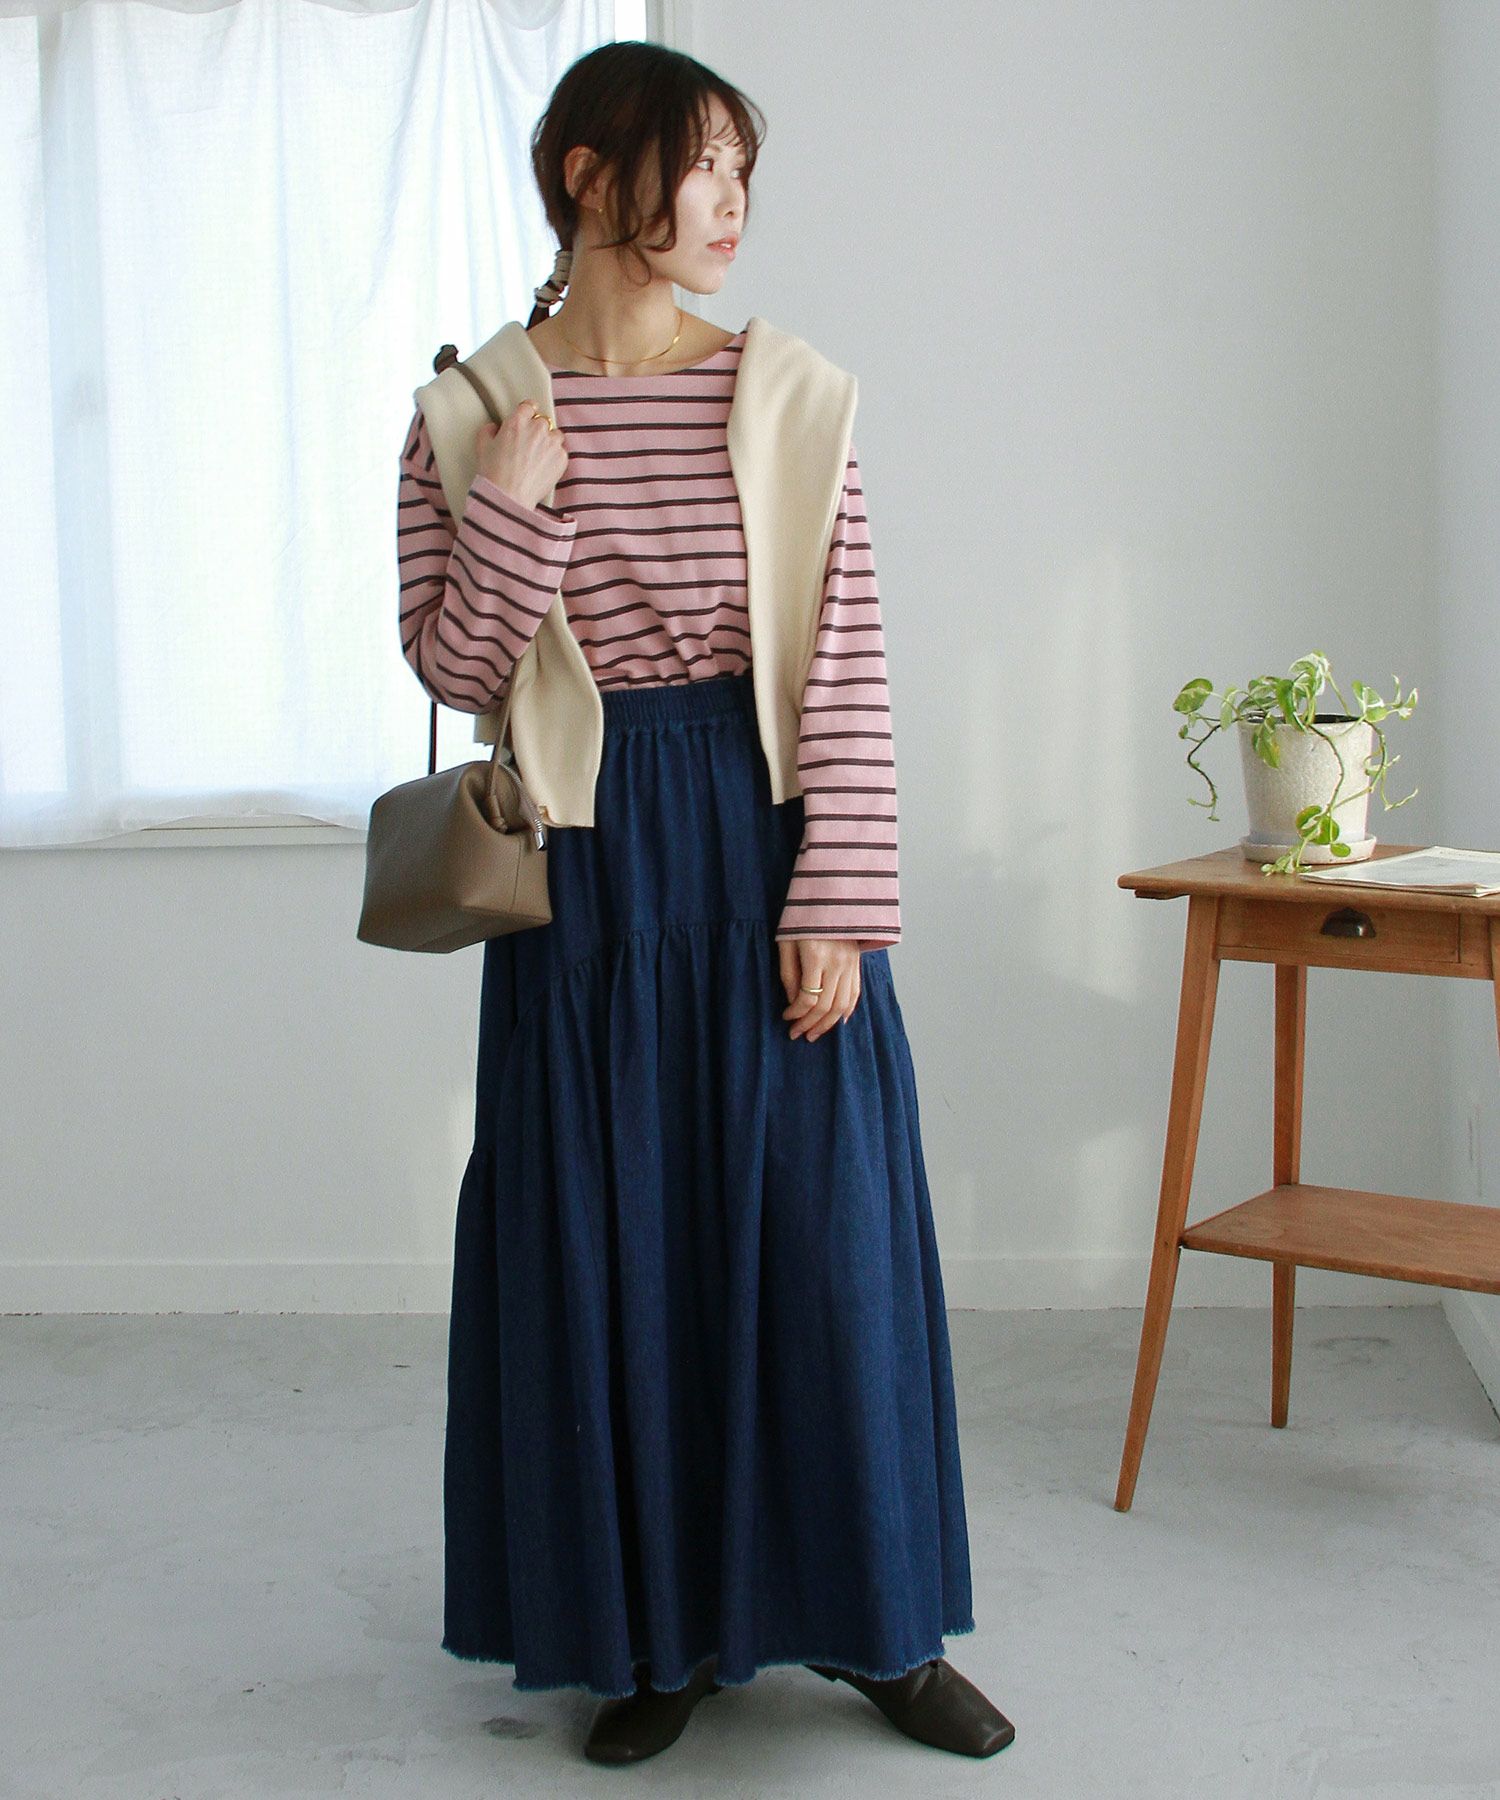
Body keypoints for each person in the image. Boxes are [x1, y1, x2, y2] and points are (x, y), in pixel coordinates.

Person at [395, 39, 1015, 1767]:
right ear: (592, 176)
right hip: (588, 871)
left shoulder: (790, 393)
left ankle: (883, 1630)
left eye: (746, 169)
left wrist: (843, 898)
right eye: (701, 164)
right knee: (618, 1245)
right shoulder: (469, 412)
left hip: (767, 839)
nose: (731, 202)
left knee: (827, 1236)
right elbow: (457, 670)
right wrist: (511, 510)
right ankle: (656, 1634)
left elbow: (848, 662)